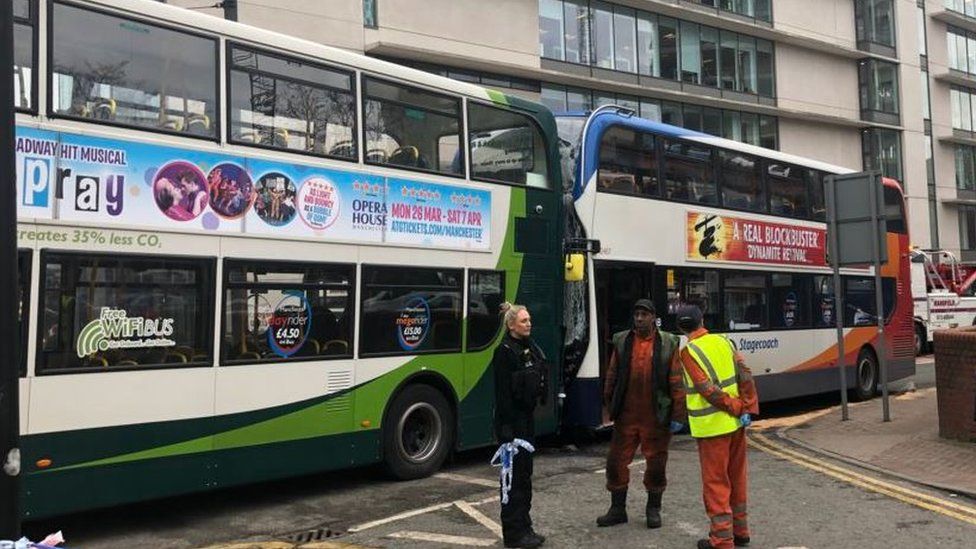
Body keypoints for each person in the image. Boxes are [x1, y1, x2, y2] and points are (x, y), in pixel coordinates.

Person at [675, 304, 759, 549]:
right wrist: (746, 407)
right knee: (737, 478)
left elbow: (706, 389)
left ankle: (722, 540)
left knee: (716, 484)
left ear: (681, 327)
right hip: (736, 426)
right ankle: (741, 532)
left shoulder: (688, 352)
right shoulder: (725, 342)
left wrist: (734, 406)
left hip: (712, 428)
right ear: (702, 321)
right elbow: (746, 374)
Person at [597, 299, 685, 529]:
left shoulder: (668, 343)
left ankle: (653, 509)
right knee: (615, 462)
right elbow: (613, 373)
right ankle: (617, 509)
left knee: (656, 464)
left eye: (644, 314)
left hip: (655, 416)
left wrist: (677, 415)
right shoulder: (622, 340)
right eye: (636, 314)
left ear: (653, 317)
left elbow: (676, 380)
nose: (639, 318)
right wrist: (610, 402)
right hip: (626, 416)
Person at [493, 303, 547, 548]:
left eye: (529, 320)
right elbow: (503, 394)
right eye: (524, 321)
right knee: (512, 482)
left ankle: (526, 528)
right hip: (512, 426)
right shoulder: (504, 352)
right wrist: (506, 430)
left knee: (524, 478)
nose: (529, 324)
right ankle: (514, 535)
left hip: (526, 421)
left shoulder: (528, 348)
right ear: (511, 325)